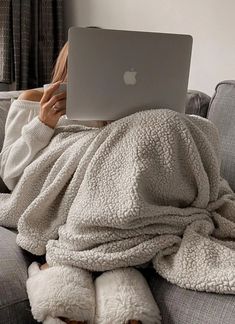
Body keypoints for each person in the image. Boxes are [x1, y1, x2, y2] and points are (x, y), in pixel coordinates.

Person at [0, 42, 141, 324]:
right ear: (67, 66)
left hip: (101, 205)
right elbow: (10, 173)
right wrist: (42, 124)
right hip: (52, 198)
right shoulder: (34, 99)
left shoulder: (120, 112)